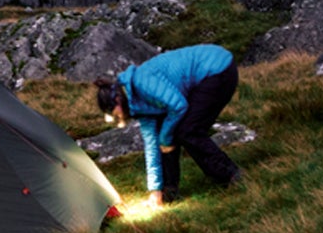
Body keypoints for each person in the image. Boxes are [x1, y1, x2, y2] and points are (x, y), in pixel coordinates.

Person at [95, 44, 245, 206]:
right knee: (167, 135)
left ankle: (231, 175)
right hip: (209, 75)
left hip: (217, 70)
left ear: (117, 99)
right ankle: (167, 192)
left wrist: (166, 137)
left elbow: (178, 106)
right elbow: (151, 146)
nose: (117, 117)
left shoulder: (141, 82)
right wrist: (154, 190)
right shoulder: (136, 106)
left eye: (113, 112)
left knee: (187, 131)